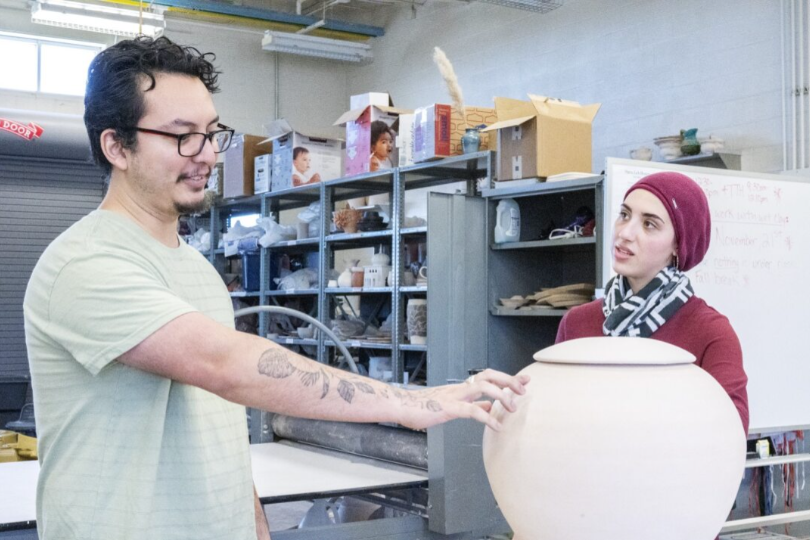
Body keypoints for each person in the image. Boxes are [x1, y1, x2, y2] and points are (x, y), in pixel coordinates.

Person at [22, 36, 529, 540]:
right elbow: (225, 365)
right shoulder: (82, 263)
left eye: (211, 132)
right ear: (117, 146)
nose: (206, 155)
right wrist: (409, 402)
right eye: (182, 136)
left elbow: (216, 421)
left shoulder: (196, 271)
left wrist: (255, 523)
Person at [555, 171, 749, 435]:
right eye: (624, 215)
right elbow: (553, 417)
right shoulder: (577, 323)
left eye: (649, 224)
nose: (625, 233)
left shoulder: (711, 333)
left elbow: (730, 434)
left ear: (678, 246)